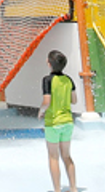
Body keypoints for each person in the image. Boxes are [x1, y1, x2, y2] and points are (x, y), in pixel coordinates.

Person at [41, 50, 78, 192]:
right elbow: (74, 101)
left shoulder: (47, 80)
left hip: (53, 123)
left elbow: (46, 101)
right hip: (68, 122)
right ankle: (73, 188)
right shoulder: (69, 80)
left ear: (49, 64)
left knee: (53, 157)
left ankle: (57, 190)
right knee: (67, 156)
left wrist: (41, 111)